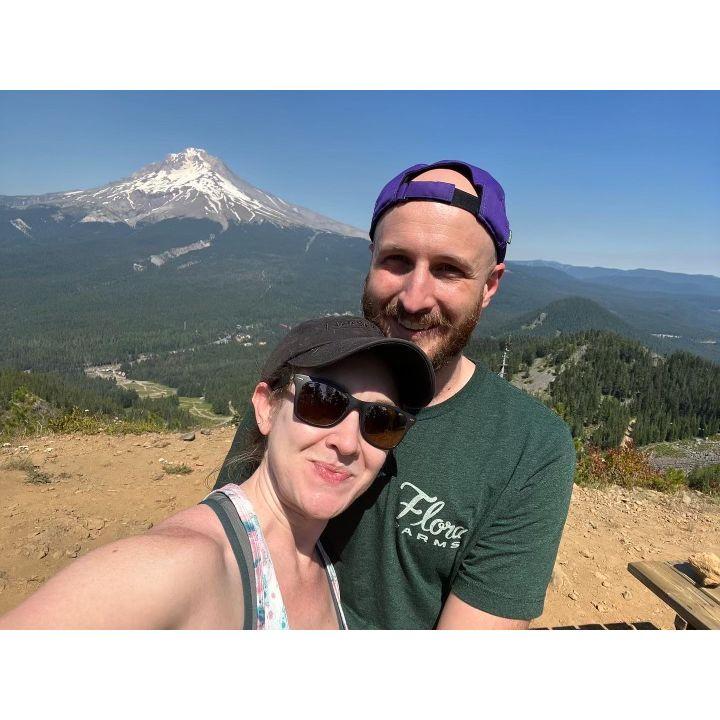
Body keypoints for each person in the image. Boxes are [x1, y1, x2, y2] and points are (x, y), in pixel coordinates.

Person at [215, 160, 577, 629]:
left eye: (449, 270)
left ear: (489, 286)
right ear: (371, 260)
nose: (413, 298)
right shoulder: (304, 377)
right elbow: (223, 543)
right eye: (397, 261)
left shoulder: (527, 447)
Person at [0, 316, 434, 629]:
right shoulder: (186, 562)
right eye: (323, 401)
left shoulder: (324, 561)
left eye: (381, 421)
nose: (347, 442)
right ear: (265, 408)